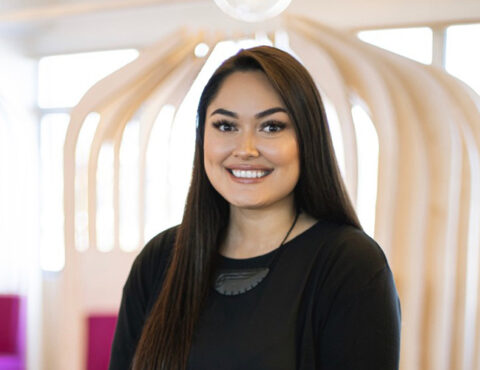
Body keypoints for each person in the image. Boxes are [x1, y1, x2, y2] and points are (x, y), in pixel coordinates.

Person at [109, 45, 401, 370]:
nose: (245, 150)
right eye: (225, 126)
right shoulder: (159, 260)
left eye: (272, 127)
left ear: (307, 138)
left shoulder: (350, 264)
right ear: (201, 137)